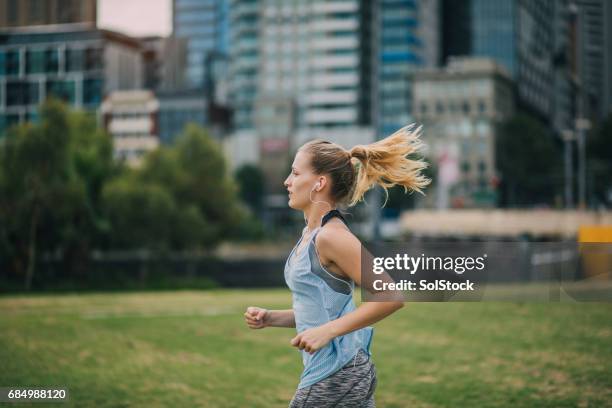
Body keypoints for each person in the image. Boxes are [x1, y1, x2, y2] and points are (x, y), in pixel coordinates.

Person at [244, 124, 431, 407]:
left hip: (336, 374)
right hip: (341, 371)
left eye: (295, 173)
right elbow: (319, 311)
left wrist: (328, 331)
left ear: (319, 183)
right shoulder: (311, 234)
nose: (287, 181)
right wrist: (271, 317)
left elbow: (390, 295)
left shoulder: (332, 236)